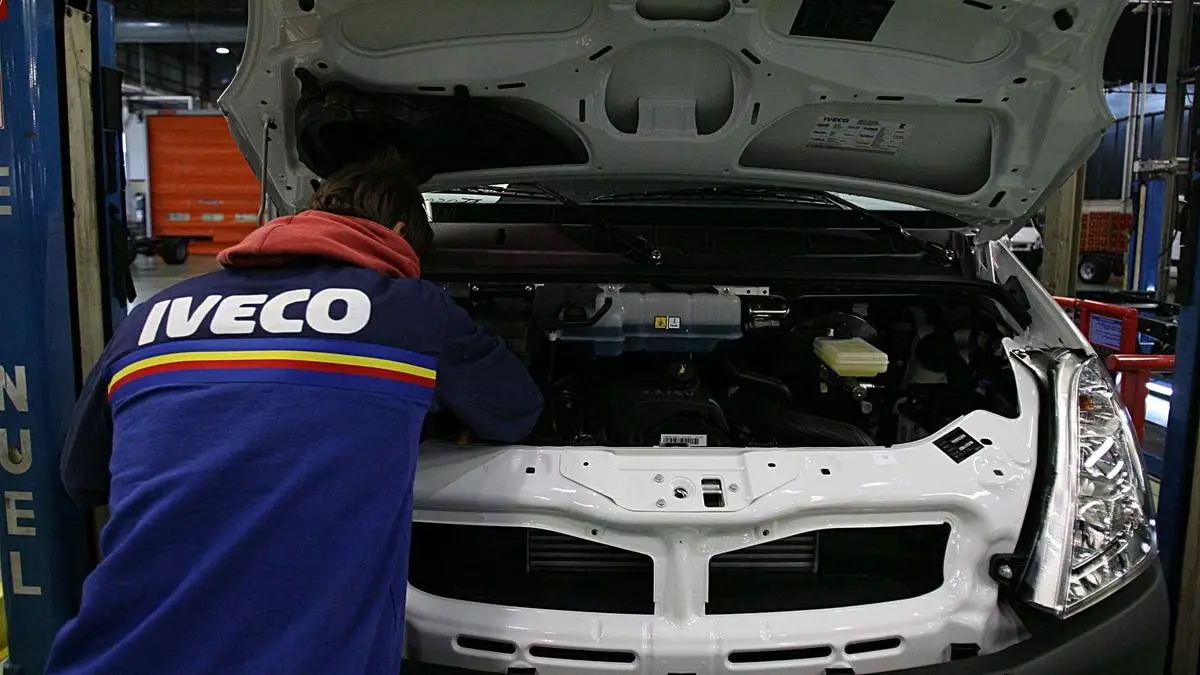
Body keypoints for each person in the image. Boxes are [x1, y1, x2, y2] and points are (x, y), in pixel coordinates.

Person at [46, 153, 544, 674]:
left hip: (112, 655)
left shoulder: (150, 317)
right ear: (400, 232)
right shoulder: (414, 310)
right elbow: (516, 411)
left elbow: (82, 479)